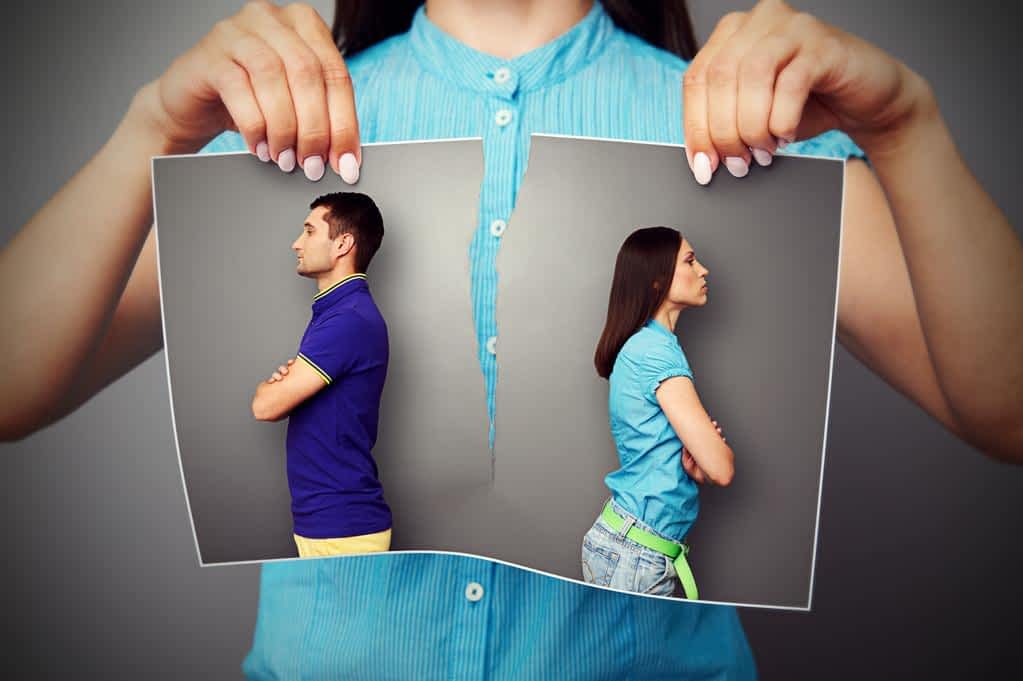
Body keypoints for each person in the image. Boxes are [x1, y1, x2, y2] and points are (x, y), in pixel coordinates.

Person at [1, 0, 1021, 678]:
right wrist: (147, 131)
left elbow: (1008, 409)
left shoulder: (750, 126)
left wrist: (908, 131)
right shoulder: (276, 129)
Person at [584, 227, 733, 600]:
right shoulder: (654, 351)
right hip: (634, 556)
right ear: (656, 280)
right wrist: (710, 456)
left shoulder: (648, 346)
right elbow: (723, 468)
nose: (704, 270)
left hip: (630, 548)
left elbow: (705, 467)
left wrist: (698, 466)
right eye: (689, 261)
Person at [251, 191, 391, 558]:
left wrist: (272, 386)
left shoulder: (348, 320)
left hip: (342, 528)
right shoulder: (337, 313)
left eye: (309, 231)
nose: (296, 243)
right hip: (327, 522)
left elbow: (264, 407)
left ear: (343, 243)